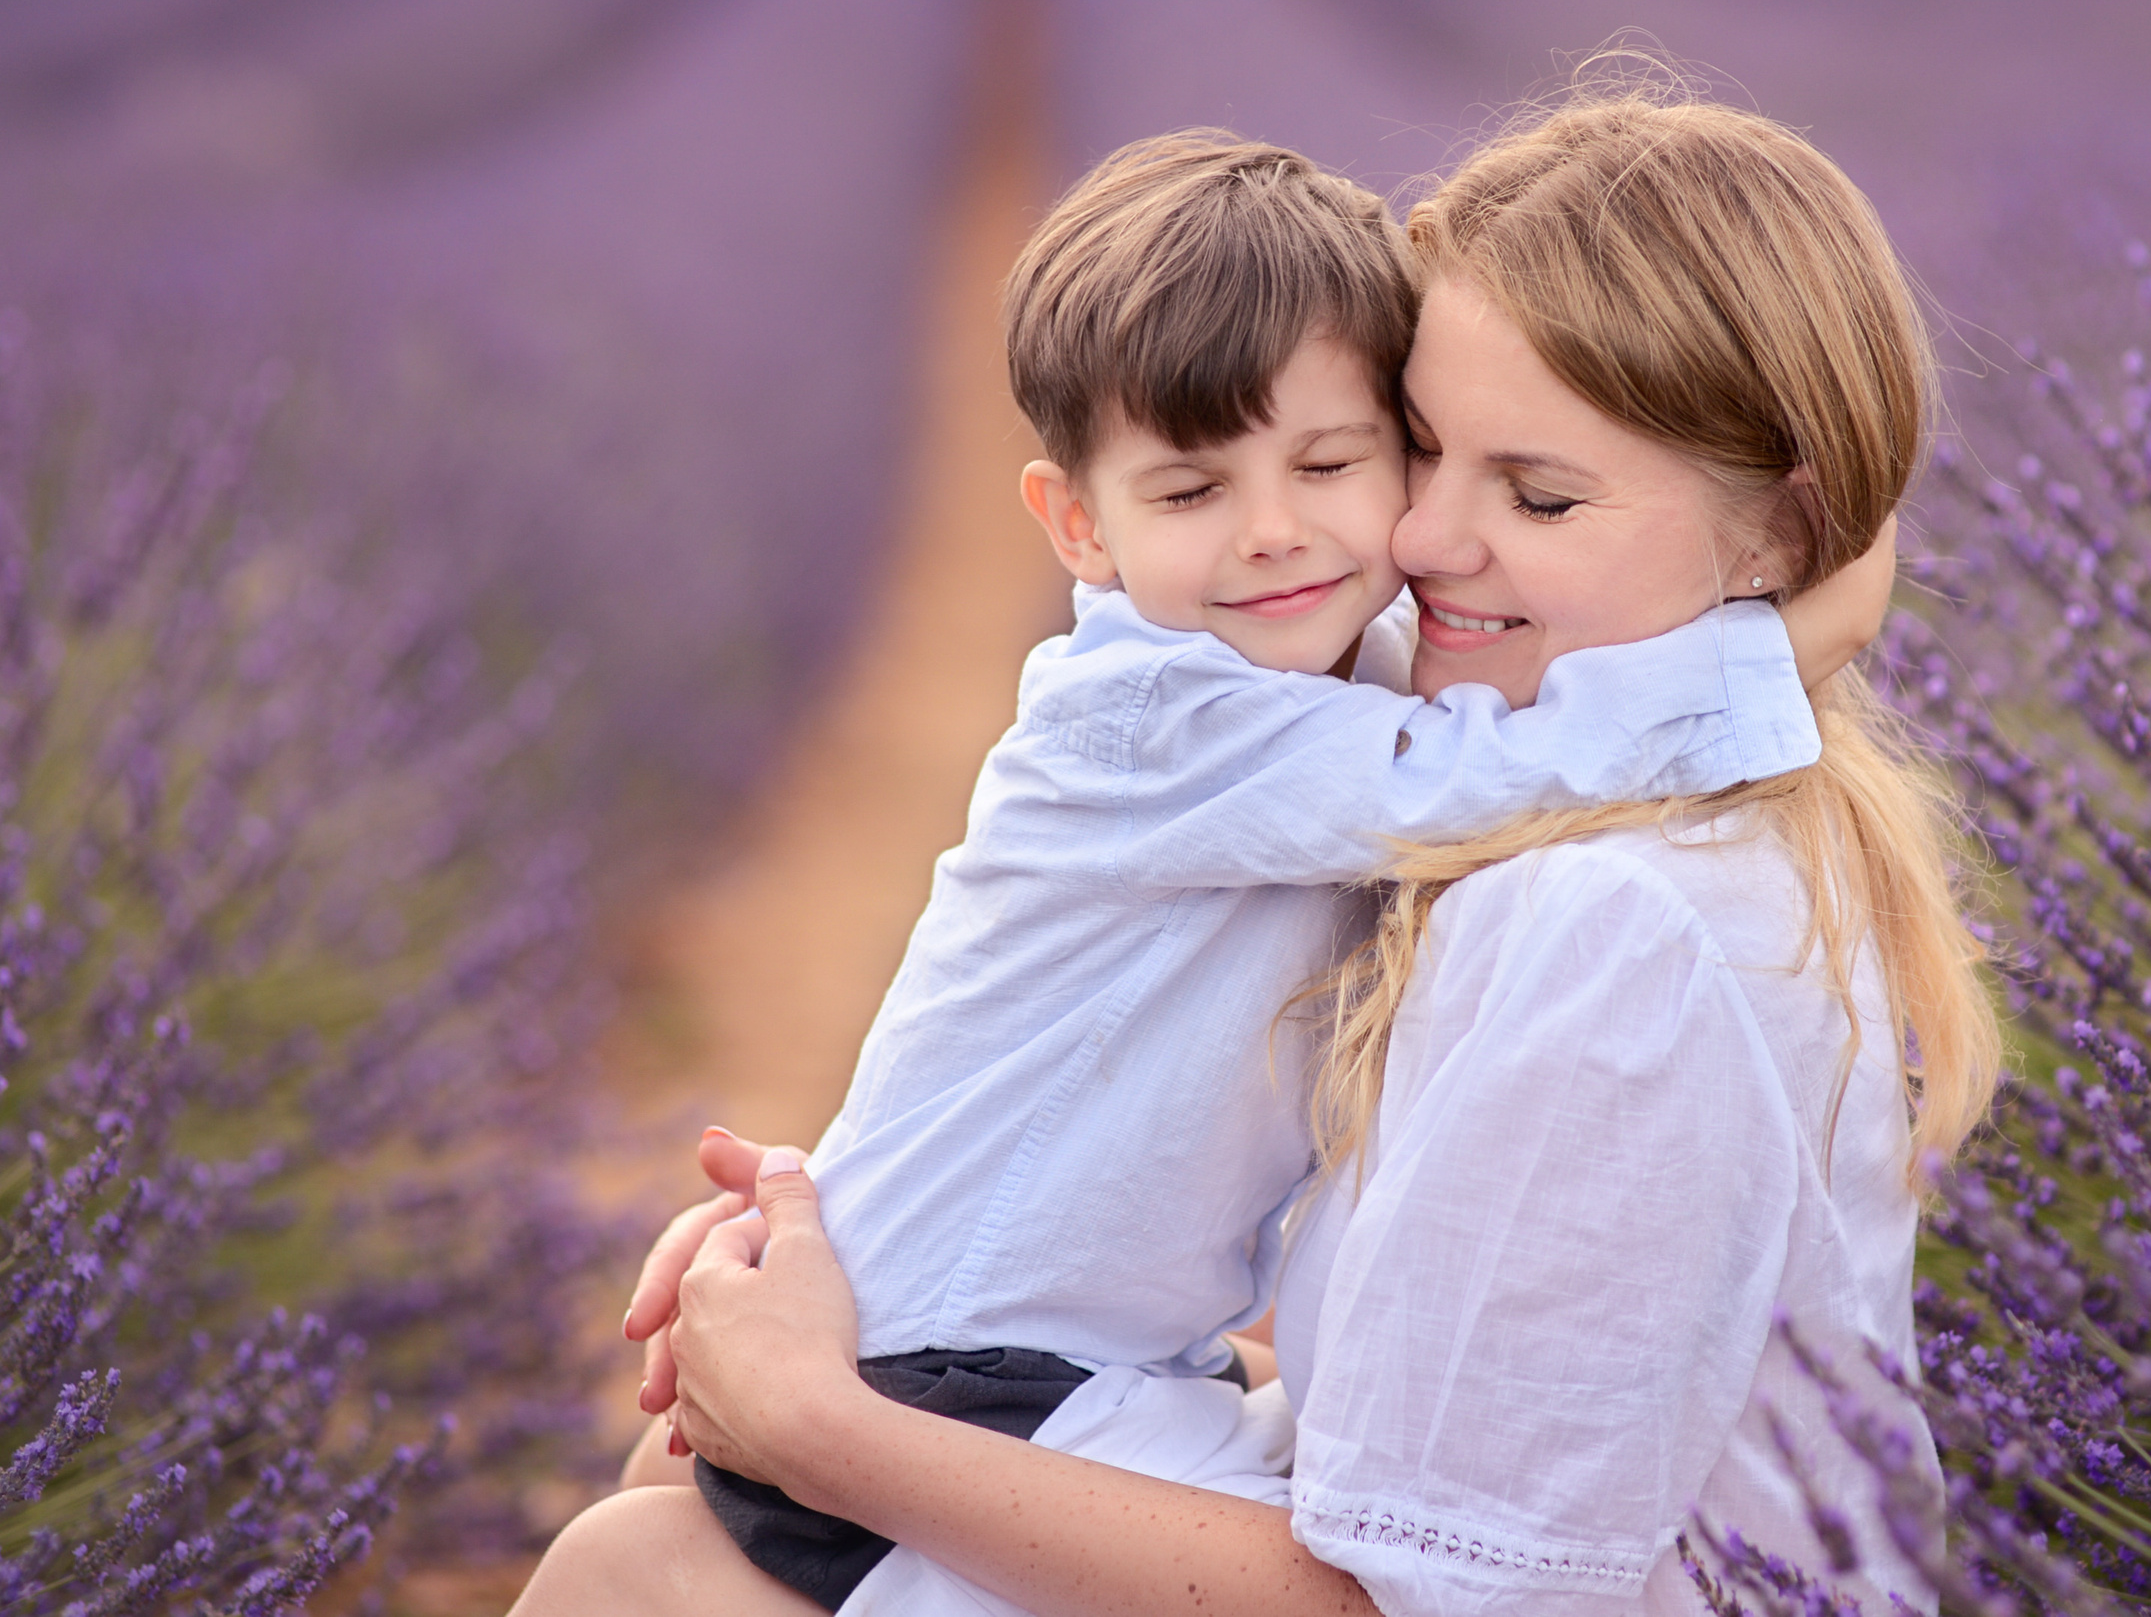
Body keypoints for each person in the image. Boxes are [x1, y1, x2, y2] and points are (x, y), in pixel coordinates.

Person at [516, 128, 1890, 1613]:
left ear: (1781, 526)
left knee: (641, 1561)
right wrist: (1779, 650)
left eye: (1352, 458)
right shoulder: (1170, 715)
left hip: (1021, 1364)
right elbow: (1491, 767)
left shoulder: (1608, 920)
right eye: (1191, 492)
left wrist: (803, 1394)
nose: (1326, 533)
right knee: (645, 1543)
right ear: (1076, 525)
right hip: (982, 1362)